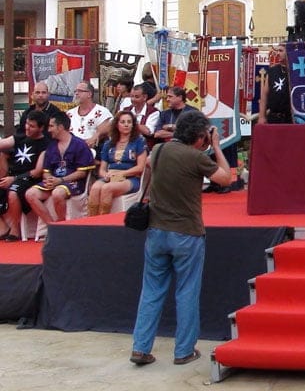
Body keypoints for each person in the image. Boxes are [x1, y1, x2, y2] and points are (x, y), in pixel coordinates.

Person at [130, 111, 231, 367]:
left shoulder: (160, 151)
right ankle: (184, 350)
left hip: (156, 230)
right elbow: (226, 178)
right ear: (199, 137)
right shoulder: (197, 157)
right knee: (186, 291)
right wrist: (217, 147)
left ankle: (141, 347)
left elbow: (151, 167)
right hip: (187, 233)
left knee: (151, 290)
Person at [24, 114, 96, 225]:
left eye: (51, 126)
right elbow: (46, 171)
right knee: (30, 194)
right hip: (54, 182)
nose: (48, 130)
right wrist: (49, 180)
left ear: (61, 127)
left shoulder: (80, 145)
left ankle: (62, 224)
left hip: (73, 183)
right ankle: (51, 225)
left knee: (57, 193)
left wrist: (61, 180)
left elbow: (82, 173)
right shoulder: (52, 146)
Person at [88, 111, 148, 216]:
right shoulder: (108, 144)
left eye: (129, 122)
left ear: (133, 125)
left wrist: (121, 174)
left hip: (130, 178)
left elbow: (140, 167)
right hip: (110, 176)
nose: (126, 125)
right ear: (117, 125)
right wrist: (105, 175)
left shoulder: (139, 141)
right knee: (95, 188)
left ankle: (103, 222)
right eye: (123, 122)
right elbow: (102, 169)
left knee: (107, 188)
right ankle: (91, 221)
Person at [0, 111, 49, 241]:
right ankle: (3, 228)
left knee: (13, 191)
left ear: (41, 128)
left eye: (32, 126)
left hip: (30, 178)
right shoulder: (20, 137)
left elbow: (38, 171)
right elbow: (2, 144)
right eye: (27, 124)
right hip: (12, 175)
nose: (27, 127)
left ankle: (15, 230)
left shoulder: (45, 144)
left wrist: (14, 179)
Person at [67, 81, 113, 150]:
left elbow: (110, 125)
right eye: (75, 91)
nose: (76, 93)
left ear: (89, 94)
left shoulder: (102, 112)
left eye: (80, 91)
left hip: (92, 150)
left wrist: (97, 134)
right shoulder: (69, 113)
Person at [257, 44, 293, 124]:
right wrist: (262, 116)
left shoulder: (295, 70)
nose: (277, 53)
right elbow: (264, 96)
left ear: (289, 52)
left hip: (290, 118)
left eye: (281, 51)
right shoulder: (272, 71)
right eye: (277, 51)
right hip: (274, 117)